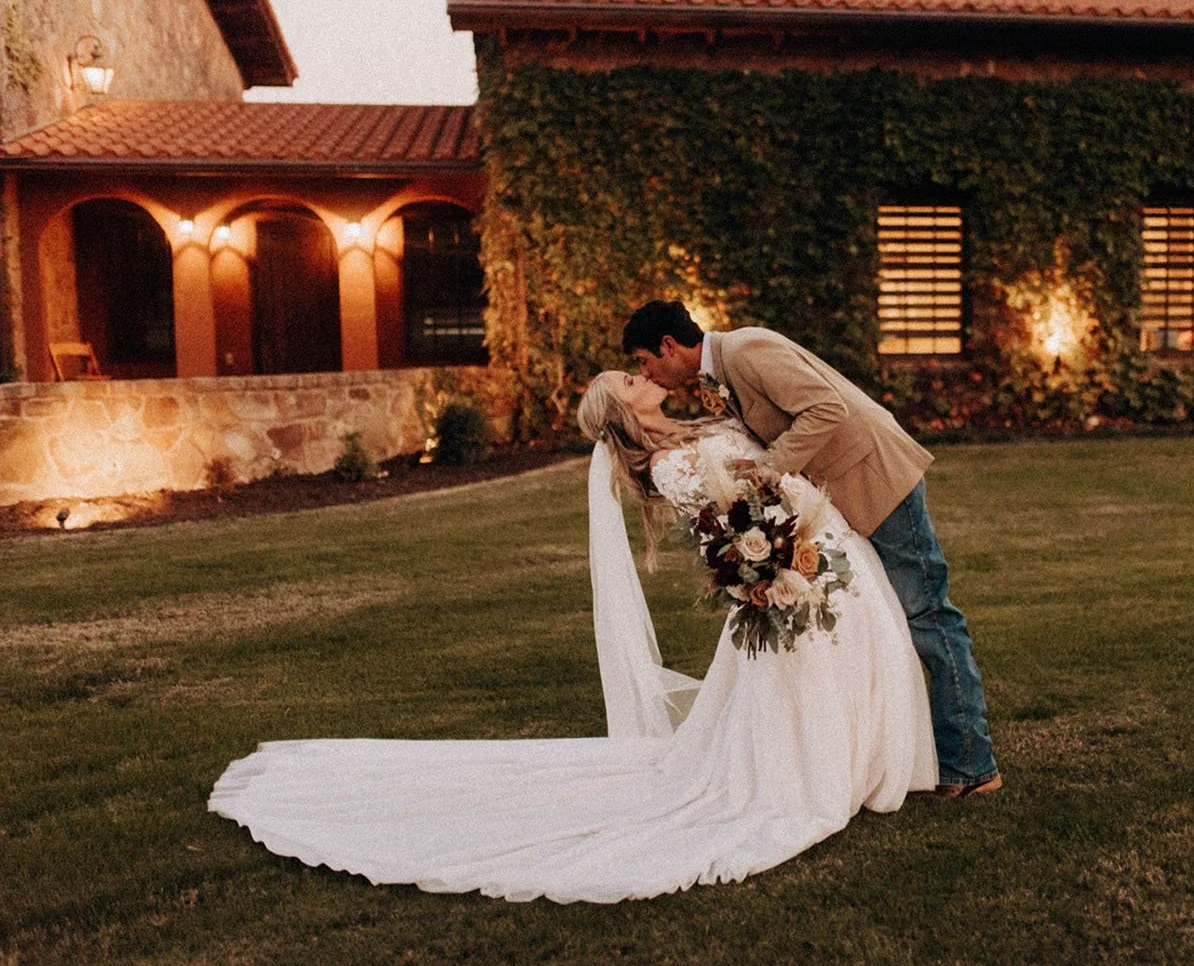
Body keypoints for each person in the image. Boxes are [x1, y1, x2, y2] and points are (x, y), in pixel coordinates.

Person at [208, 370, 937, 902]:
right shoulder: (674, 463)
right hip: (784, 566)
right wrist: (776, 559)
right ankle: (825, 774)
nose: (643, 374)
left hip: (814, 548)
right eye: (630, 377)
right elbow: (737, 513)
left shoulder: (690, 431)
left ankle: (853, 761)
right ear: (624, 406)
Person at [623, 300, 1000, 797]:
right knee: (910, 617)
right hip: (853, 489)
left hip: (878, 478)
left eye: (644, 362)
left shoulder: (747, 349)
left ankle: (972, 766)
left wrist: (772, 467)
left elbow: (827, 407)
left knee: (929, 615)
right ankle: (932, 758)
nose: (646, 373)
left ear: (668, 346)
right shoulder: (724, 370)